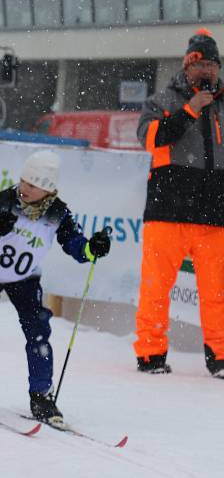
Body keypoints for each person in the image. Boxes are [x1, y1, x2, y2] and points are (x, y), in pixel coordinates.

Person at [0, 150, 110, 425]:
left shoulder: (58, 213)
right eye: (23, 181)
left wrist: (92, 249)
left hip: (25, 278)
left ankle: (41, 395)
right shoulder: (3, 200)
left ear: (48, 188)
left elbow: (76, 246)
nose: (24, 188)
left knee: (38, 334)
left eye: (32, 185)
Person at [134, 28, 224, 378]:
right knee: (156, 288)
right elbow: (150, 138)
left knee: (217, 293)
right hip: (168, 210)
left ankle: (219, 356)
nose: (208, 72)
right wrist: (189, 110)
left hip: (214, 214)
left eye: (213, 66)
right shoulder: (162, 101)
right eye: (201, 65)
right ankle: (151, 354)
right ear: (187, 68)